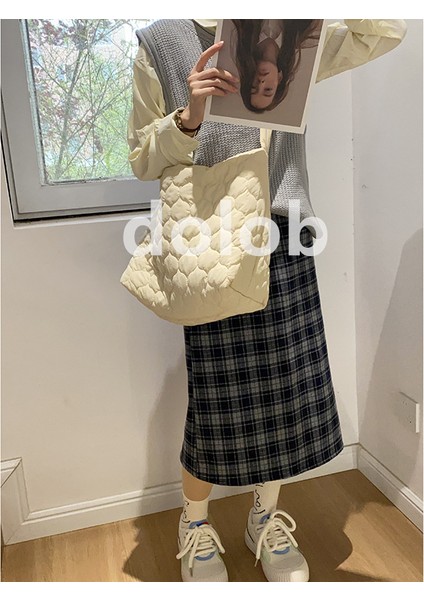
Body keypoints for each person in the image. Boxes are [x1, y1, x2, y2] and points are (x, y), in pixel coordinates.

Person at [127, 18, 407, 583]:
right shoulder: (160, 41)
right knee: (215, 401)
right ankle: (194, 523)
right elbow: (141, 159)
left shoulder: (293, 28)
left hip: (284, 232)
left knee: (285, 396)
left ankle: (264, 518)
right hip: (210, 242)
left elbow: (385, 31)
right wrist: (187, 118)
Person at [230, 19, 322, 111]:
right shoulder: (309, 35)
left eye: (253, 87)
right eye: (268, 89)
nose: (261, 83)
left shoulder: (241, 24)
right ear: (279, 78)